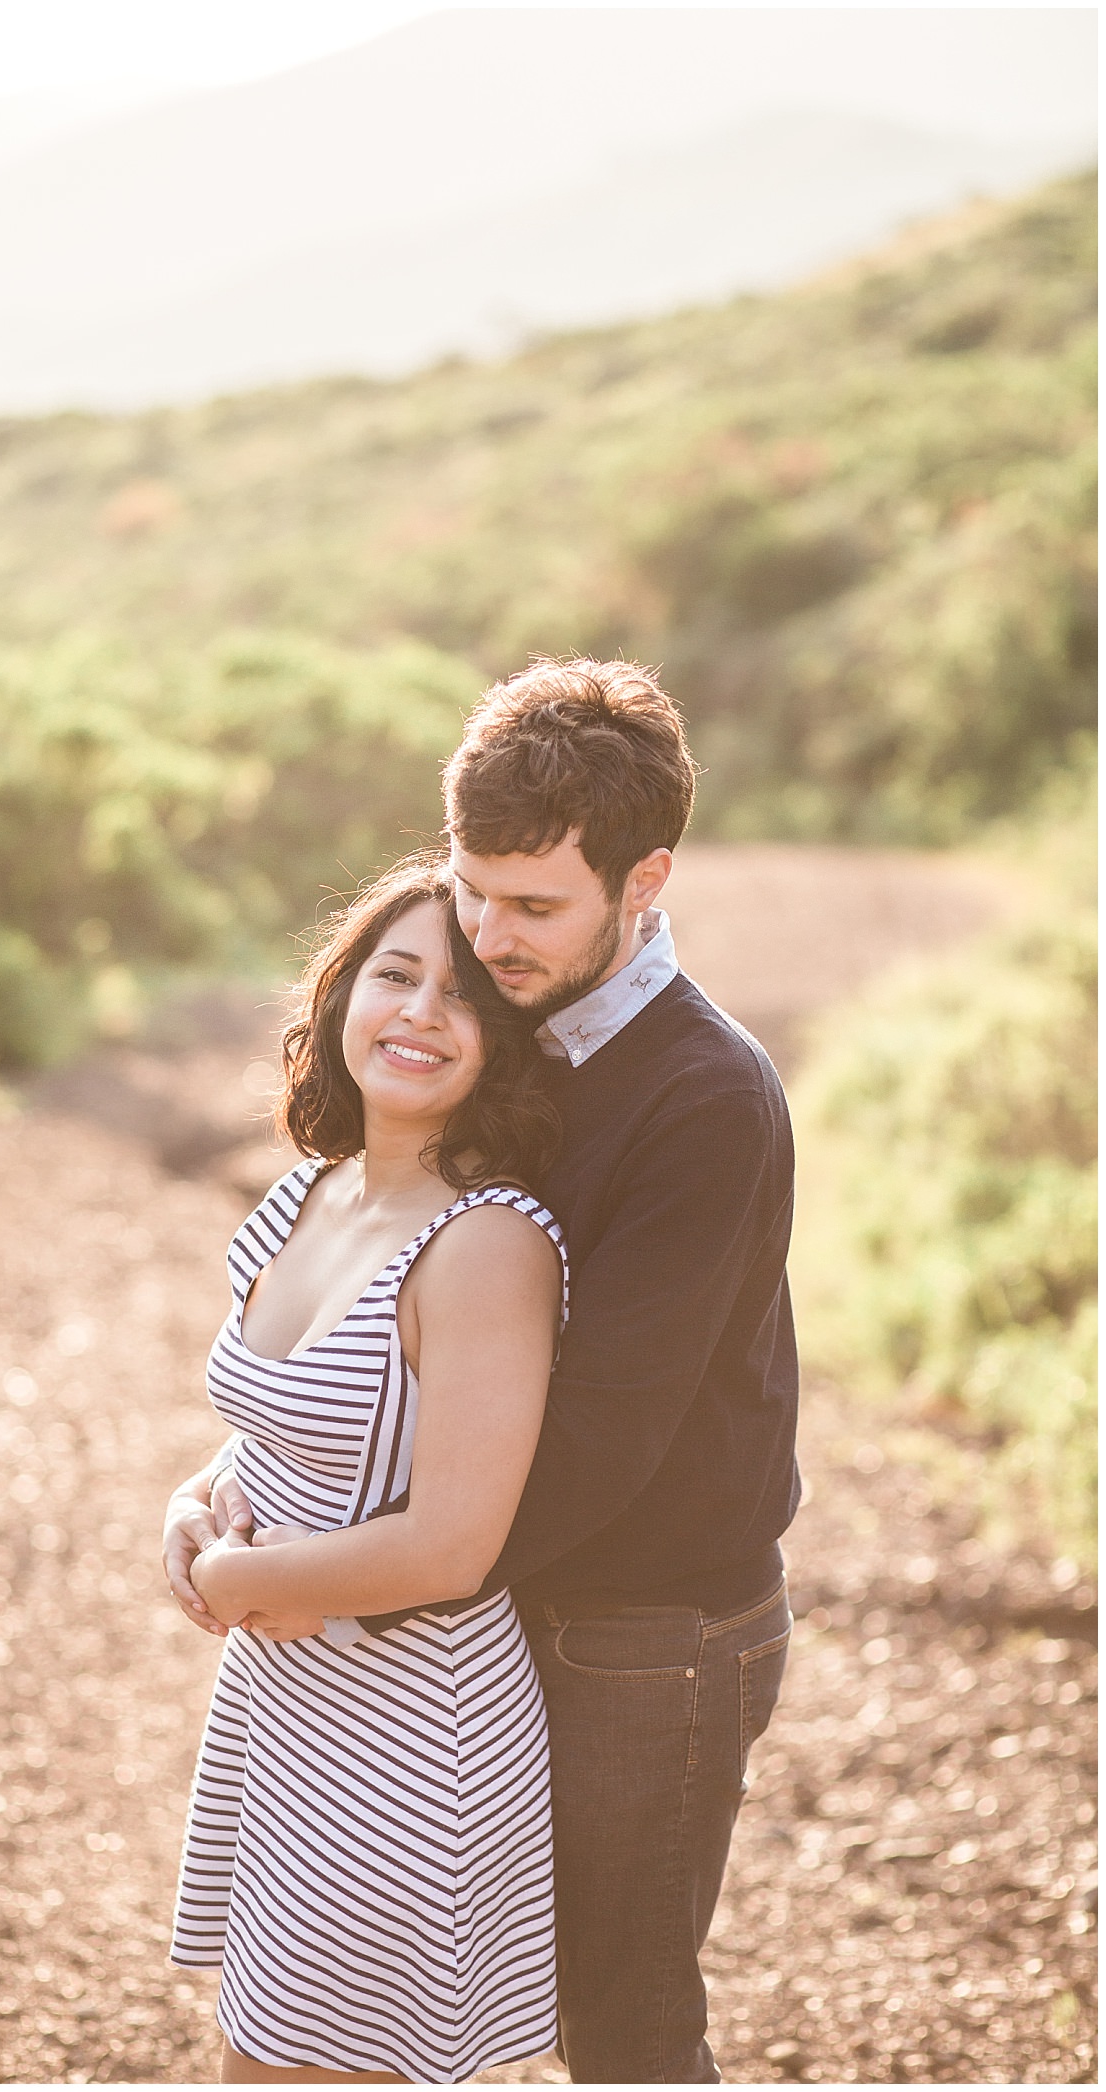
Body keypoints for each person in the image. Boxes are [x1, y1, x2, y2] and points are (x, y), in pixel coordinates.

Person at [168, 657, 801, 2083]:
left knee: (622, 2028)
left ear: (647, 882)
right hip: (483, 1615)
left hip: (648, 1625)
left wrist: (309, 1573)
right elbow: (382, 1334)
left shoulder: (705, 1098)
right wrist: (235, 1482)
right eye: (471, 890)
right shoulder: (514, 1011)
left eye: (534, 907)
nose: (490, 937)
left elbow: (589, 1447)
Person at [165, 856, 569, 2085]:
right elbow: (284, 1424)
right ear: (342, 995)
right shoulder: (303, 1194)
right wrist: (192, 1501)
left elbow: (456, 1540)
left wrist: (234, 1584)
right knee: (257, 2054)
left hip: (408, 1738)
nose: (418, 1013)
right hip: (288, 1714)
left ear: (501, 1048)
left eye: (463, 1000)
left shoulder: (486, 1242)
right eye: (395, 975)